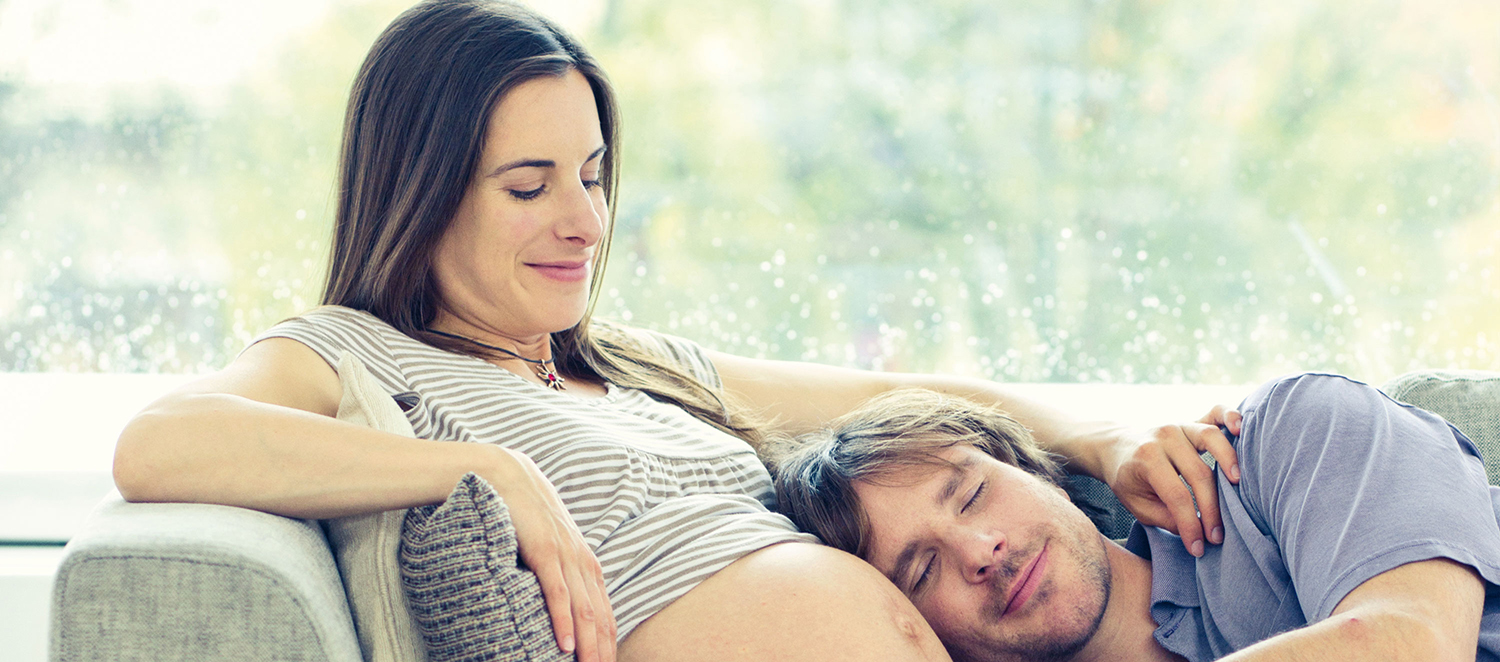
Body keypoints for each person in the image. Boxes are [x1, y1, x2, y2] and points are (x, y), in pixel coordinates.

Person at [111, 2, 1243, 661]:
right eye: (529, 185)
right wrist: (481, 465)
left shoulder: (639, 366)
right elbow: (160, 441)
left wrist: (1096, 437)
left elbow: (897, 402)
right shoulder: (356, 353)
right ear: (423, 188)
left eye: (595, 176)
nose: (585, 221)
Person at [771, 374, 1500, 662]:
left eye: (970, 495)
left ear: (1035, 468)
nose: (981, 549)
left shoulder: (1285, 437)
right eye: (924, 569)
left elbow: (1406, 644)